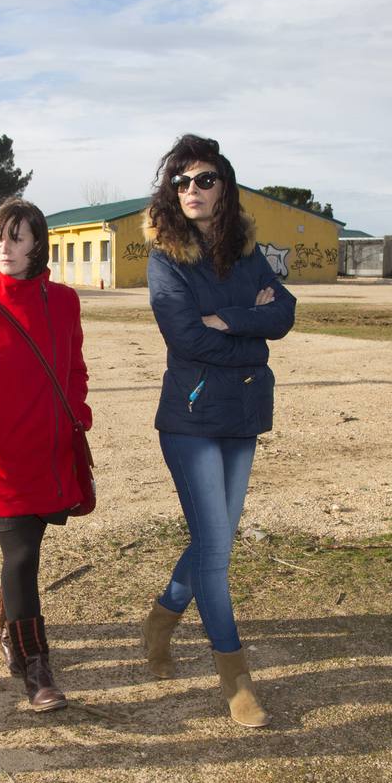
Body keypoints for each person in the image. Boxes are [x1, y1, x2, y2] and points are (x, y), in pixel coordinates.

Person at [139, 134, 296, 728]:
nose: (192, 191)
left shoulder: (247, 252)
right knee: (215, 551)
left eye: (203, 180)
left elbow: (283, 312)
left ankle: (162, 616)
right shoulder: (164, 259)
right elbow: (185, 337)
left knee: (216, 537)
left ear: (223, 187)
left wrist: (232, 320)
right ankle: (236, 677)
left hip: (243, 412)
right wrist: (250, 337)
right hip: (191, 417)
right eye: (181, 182)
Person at [0, 198, 91, 712]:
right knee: (22, 556)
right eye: (0, 237)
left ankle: (9, 628)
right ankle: (36, 669)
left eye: (18, 237)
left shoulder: (65, 301)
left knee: (25, 557)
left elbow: (74, 367)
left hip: (49, 458)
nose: (5, 246)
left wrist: (76, 413)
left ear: (38, 245)